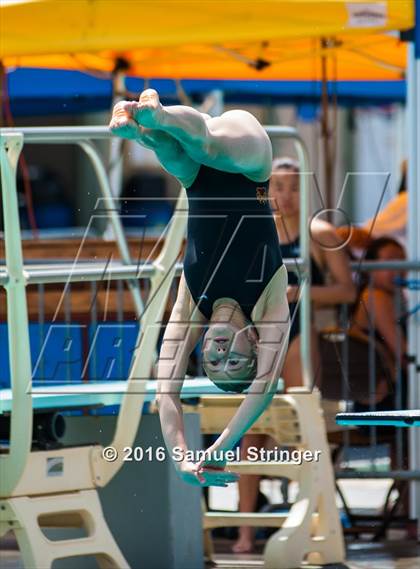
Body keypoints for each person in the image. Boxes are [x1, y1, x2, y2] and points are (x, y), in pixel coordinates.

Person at [109, 89, 290, 488]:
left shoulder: (192, 305)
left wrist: (182, 459)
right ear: (256, 345)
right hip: (250, 162)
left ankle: (142, 126)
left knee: (172, 152)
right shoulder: (267, 303)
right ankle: (156, 111)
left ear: (201, 349)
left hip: (196, 180)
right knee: (205, 142)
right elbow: (263, 389)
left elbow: (166, 393)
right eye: (236, 362)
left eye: (213, 362)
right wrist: (223, 448)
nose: (222, 355)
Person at [233, 157, 356, 553]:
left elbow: (347, 291)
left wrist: (301, 293)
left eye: (293, 187)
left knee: (301, 428)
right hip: (261, 336)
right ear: (265, 191)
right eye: (278, 187)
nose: (285, 196)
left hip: (301, 337)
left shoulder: (318, 233)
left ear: (306, 191)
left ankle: (306, 520)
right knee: (249, 434)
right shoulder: (254, 232)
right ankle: (245, 532)